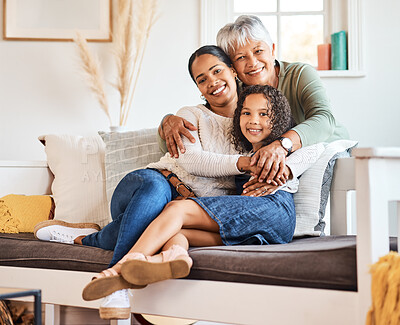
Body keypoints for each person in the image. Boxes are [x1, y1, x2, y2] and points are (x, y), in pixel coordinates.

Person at [159, 14, 348, 186]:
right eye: (241, 57)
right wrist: (168, 120)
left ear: (272, 49)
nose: (252, 63)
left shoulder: (299, 74)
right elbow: (209, 122)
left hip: (324, 151)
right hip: (271, 165)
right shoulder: (235, 92)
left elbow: (324, 120)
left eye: (258, 51)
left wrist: (281, 145)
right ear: (232, 67)